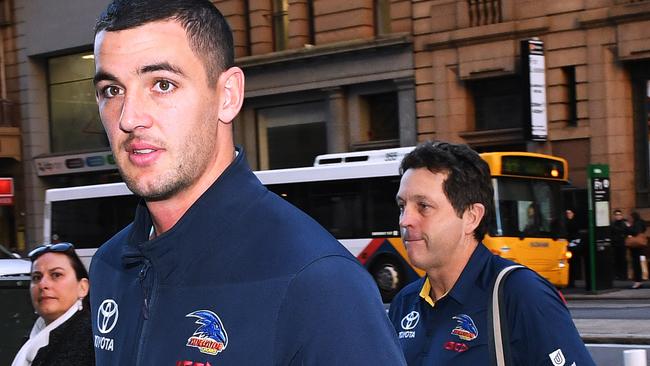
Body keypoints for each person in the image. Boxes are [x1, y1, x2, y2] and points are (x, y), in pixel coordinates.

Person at [89, 1, 406, 365]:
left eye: (162, 84)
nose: (128, 118)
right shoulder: (110, 265)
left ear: (228, 96)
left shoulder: (319, 281)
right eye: (112, 90)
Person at [389, 141, 594, 365]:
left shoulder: (520, 294)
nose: (405, 220)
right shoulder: (404, 303)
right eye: (402, 206)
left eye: (423, 206)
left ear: (471, 217)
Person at [12, 242, 94, 366]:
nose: (43, 284)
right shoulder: (35, 336)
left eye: (56, 275)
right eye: (36, 277)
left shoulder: (90, 340)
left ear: (82, 287)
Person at [626, 211, 646, 289]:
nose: (629, 219)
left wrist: (628, 226)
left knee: (636, 264)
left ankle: (638, 282)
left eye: (630, 217)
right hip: (638, 247)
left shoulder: (637, 224)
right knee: (638, 264)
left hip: (636, 247)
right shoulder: (640, 223)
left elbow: (635, 232)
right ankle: (638, 281)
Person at [610, 209, 629, 281]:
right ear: (614, 216)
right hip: (615, 244)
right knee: (616, 260)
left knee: (623, 259)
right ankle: (617, 275)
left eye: (619, 215)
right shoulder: (613, 224)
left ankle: (623, 275)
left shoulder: (624, 223)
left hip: (622, 243)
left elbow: (628, 230)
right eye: (617, 215)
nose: (618, 216)